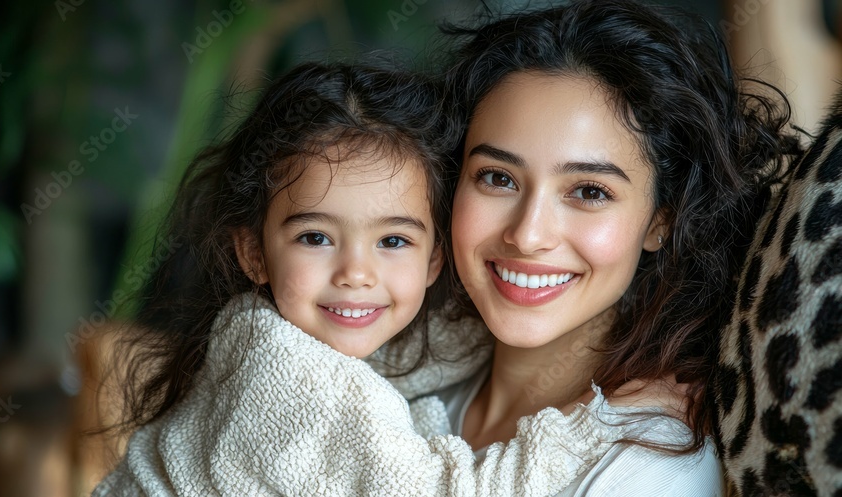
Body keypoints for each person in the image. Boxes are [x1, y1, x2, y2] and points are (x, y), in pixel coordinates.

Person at [92, 61, 623, 497]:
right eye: (316, 238)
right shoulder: (286, 380)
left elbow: (433, 352)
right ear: (253, 251)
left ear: (434, 258)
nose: (356, 274)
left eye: (393, 242)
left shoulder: (293, 331)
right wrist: (589, 423)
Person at [413, 0, 801, 495]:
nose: (528, 234)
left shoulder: (652, 466)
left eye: (590, 191)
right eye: (497, 178)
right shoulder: (394, 379)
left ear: (661, 221)